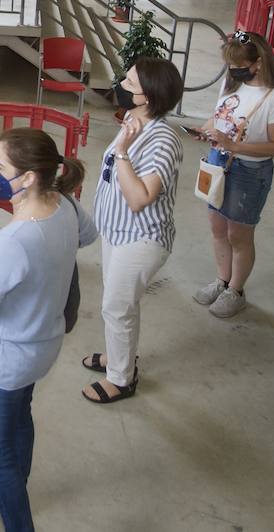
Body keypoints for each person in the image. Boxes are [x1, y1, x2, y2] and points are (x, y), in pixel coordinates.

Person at [0, 128, 94, 530]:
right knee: (20, 416)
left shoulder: (15, 241)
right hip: (43, 344)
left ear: (28, 178)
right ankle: (10, 484)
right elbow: (88, 236)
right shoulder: (65, 206)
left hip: (6, 358)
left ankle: (15, 508)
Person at [83, 58, 184, 403]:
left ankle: (121, 379)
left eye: (130, 84)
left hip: (141, 237)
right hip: (117, 232)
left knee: (116, 306)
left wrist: (123, 152)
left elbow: (140, 198)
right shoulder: (133, 118)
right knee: (120, 302)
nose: (121, 86)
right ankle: (118, 357)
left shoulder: (163, 140)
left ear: (149, 96)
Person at [190, 33, 274, 318]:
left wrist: (235, 145)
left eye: (236, 64)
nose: (231, 69)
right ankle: (222, 280)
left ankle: (236, 289)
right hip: (217, 161)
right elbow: (220, 116)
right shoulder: (232, 84)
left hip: (249, 170)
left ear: (258, 63)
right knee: (217, 227)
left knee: (239, 233)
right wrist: (205, 129)